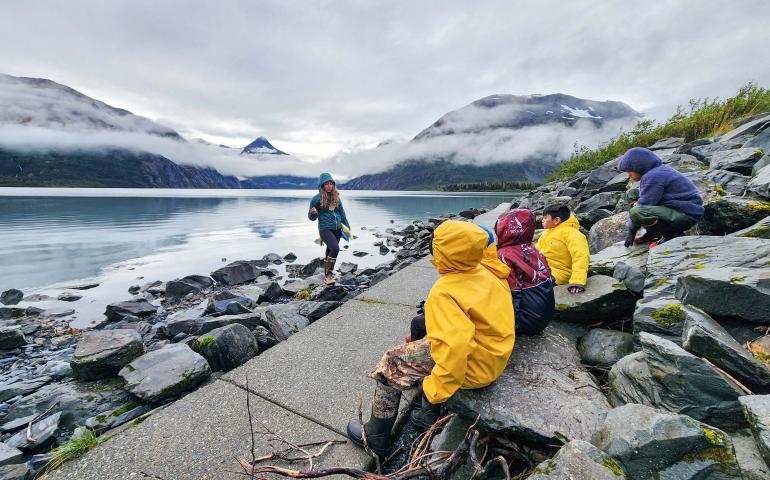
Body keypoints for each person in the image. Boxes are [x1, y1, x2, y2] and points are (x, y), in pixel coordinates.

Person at [346, 221, 515, 456]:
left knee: (391, 362)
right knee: (426, 345)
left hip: (475, 367)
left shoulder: (445, 291)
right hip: (493, 354)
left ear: (443, 255)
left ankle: (375, 437)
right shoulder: (488, 270)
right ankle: (424, 414)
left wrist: (434, 389)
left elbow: (455, 350)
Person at [618, 147, 704, 247]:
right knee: (632, 194)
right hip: (677, 209)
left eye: (630, 171)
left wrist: (631, 230)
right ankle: (653, 233)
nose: (629, 175)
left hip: (686, 215)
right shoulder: (658, 170)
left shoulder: (653, 177)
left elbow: (644, 205)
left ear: (639, 167)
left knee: (637, 212)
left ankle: (671, 235)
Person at [496, 209, 555, 334]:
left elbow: (513, 292)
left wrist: (511, 326)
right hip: (543, 318)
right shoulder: (533, 249)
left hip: (526, 322)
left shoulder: (504, 255)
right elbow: (550, 278)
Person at [535, 204, 589, 294]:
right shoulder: (548, 232)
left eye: (545, 218)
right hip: (542, 268)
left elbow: (581, 257)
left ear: (556, 220)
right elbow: (536, 251)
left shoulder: (573, 234)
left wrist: (577, 281)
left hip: (559, 274)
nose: (542, 220)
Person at [308, 173, 350, 285]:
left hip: (338, 229)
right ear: (322, 185)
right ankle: (329, 275)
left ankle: (327, 276)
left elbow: (342, 214)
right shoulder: (316, 199)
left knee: (330, 250)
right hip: (325, 229)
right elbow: (311, 217)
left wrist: (347, 227)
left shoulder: (336, 197)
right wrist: (313, 213)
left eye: (331, 183)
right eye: (327, 184)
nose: (329, 186)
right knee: (335, 249)